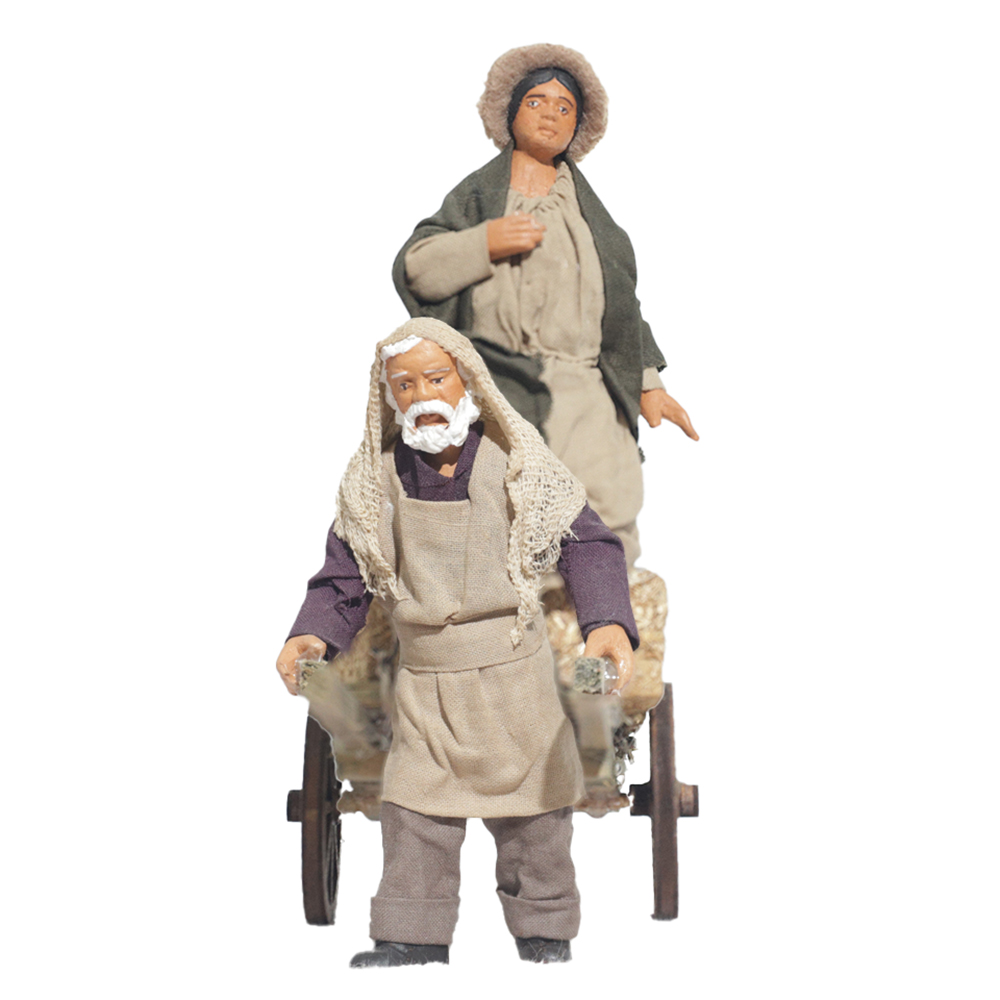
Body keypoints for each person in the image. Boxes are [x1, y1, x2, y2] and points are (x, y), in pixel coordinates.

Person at [276, 317, 639, 967]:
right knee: (414, 810)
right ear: (388, 396)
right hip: (426, 682)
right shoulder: (374, 484)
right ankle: (411, 936)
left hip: (512, 675)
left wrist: (606, 621)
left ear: (467, 381)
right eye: (405, 384)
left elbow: (587, 544)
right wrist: (311, 634)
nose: (423, 396)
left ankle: (545, 932)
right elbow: (344, 574)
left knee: (535, 814)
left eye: (436, 378)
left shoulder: (520, 466)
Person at [393, 43, 698, 570]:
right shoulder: (478, 199)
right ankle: (497, 600)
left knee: (606, 496)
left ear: (578, 125)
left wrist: (647, 383)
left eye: (564, 107)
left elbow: (620, 303)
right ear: (510, 113)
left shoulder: (592, 218)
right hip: (497, 380)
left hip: (586, 385)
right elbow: (417, 266)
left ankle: (599, 604)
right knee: (497, 496)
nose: (550, 114)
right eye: (536, 101)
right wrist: (483, 242)